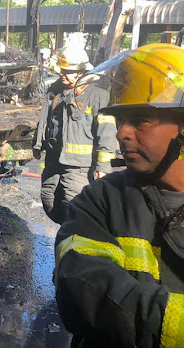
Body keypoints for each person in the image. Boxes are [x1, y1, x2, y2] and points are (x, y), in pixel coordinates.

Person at [54, 43, 184, 347]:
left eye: (140, 120)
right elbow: (85, 292)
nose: (122, 132)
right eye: (120, 120)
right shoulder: (99, 202)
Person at [32, 43, 119, 224]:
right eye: (62, 70)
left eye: (69, 71)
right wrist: (38, 143)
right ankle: (67, 232)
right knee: (49, 201)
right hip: (54, 161)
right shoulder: (58, 93)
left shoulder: (98, 97)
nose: (63, 74)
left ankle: (73, 243)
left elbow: (107, 134)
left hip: (80, 166)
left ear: (81, 73)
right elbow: (47, 120)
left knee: (74, 208)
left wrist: (102, 168)